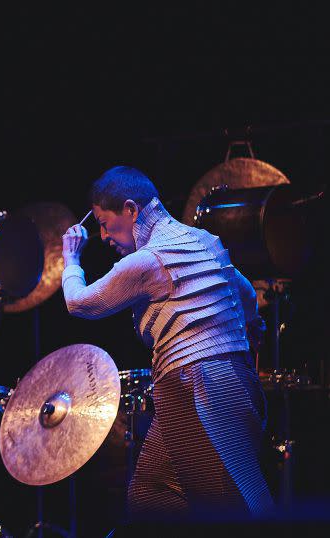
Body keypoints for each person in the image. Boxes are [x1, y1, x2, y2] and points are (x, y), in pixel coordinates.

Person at [61, 166, 273, 521]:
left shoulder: (148, 260)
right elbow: (248, 293)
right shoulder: (203, 240)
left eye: (104, 222)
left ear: (130, 210)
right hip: (228, 381)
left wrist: (71, 259)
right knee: (150, 494)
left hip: (197, 386)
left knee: (231, 507)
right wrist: (247, 329)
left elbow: (79, 302)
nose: (101, 235)